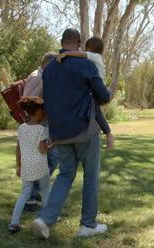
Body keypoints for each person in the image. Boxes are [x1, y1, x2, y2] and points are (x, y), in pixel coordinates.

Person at [32, 28, 111, 239]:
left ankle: (45, 218)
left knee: (65, 174)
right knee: (91, 177)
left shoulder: (48, 70)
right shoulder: (85, 64)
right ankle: (87, 225)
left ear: (61, 42)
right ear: (79, 43)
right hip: (85, 128)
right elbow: (103, 96)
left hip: (60, 131)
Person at [56, 36, 114, 150]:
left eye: (85, 48)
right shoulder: (95, 58)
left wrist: (66, 54)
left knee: (97, 113)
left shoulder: (95, 57)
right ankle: (103, 133)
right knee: (94, 112)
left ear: (88, 48)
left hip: (98, 90)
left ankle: (108, 134)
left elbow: (81, 55)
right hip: (95, 88)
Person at [8, 96, 55, 233]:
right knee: (46, 189)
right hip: (40, 166)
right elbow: (43, 150)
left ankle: (14, 223)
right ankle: (47, 218)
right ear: (39, 111)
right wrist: (54, 144)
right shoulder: (41, 130)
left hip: (26, 166)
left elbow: (18, 149)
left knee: (24, 194)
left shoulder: (21, 128)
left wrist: (18, 166)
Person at [22, 52, 59, 212]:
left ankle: (34, 192)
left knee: (45, 159)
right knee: (51, 158)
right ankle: (29, 197)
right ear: (45, 63)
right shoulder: (38, 77)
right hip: (39, 124)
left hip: (40, 122)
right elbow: (29, 102)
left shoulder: (40, 75)